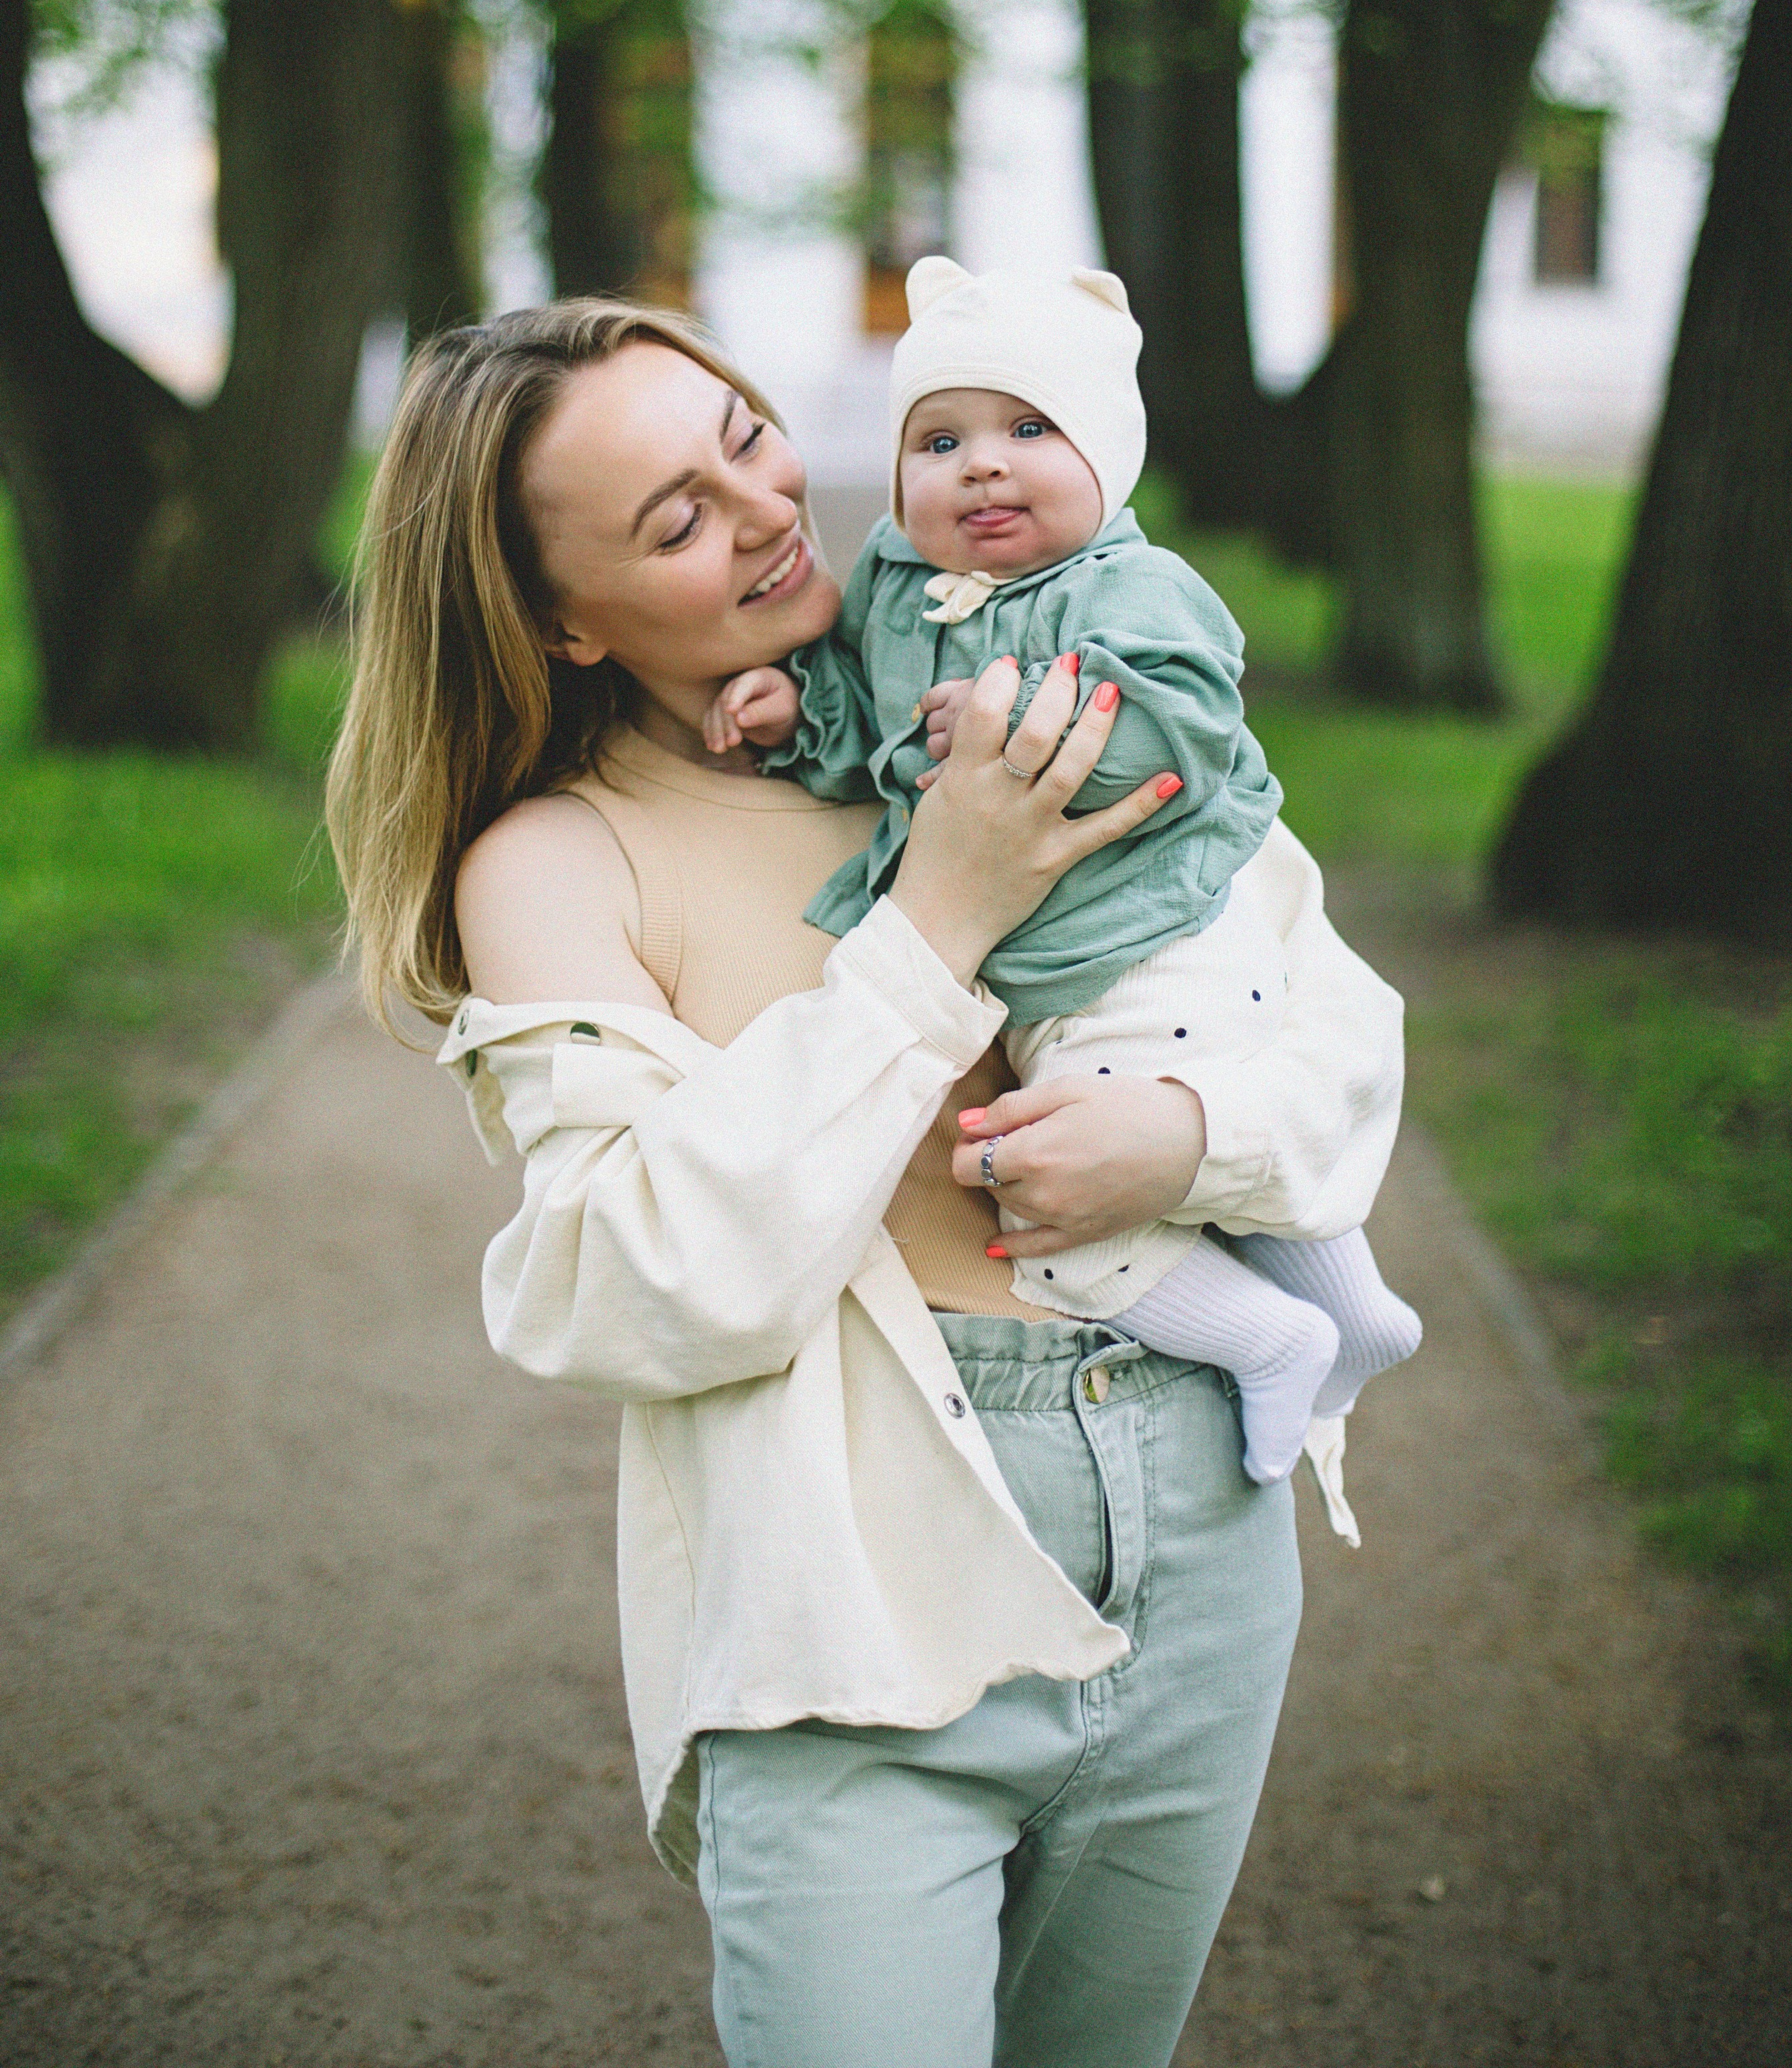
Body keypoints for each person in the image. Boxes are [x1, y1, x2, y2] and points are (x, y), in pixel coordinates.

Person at [327, 297, 1406, 2068]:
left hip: (1202, 1534)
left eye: (746, 437)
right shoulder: (558, 861)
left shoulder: (1002, 692)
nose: (763, 510)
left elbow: (1339, 1037)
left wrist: (1191, 1139)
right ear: (554, 615)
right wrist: (941, 910)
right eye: (671, 521)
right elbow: (626, 1281)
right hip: (849, 1624)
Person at [706, 258, 1419, 1526]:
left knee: (1053, 1201)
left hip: (1145, 946)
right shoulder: (892, 586)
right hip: (1072, 965)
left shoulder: (1133, 590)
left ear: (1112, 452)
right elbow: (874, 725)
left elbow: (1177, 731)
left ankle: (1270, 1340)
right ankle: (1356, 1310)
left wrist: (1010, 712)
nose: (982, 465)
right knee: (1205, 1141)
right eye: (940, 439)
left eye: (1030, 429)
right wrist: (795, 713)